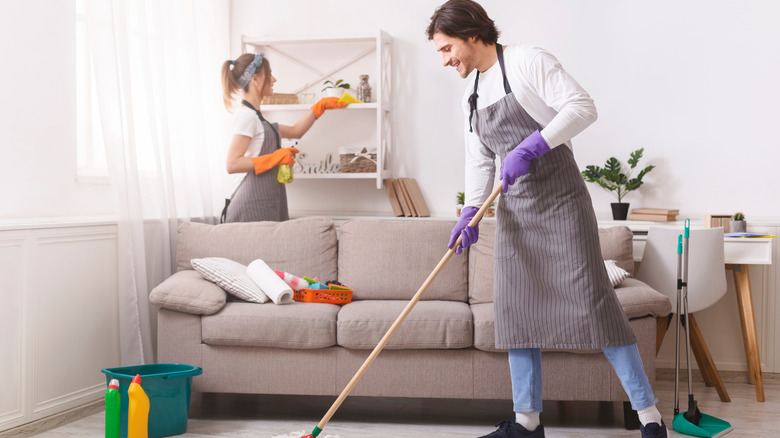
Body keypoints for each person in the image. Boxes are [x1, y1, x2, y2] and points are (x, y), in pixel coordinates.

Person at [426, 1, 667, 437]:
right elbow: (480, 160)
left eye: (447, 49)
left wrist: (532, 146)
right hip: (516, 212)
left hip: (561, 204)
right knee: (517, 312)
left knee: (596, 305)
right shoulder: (472, 94)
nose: (445, 60)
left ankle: (650, 417)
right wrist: (470, 211)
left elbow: (581, 107)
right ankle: (527, 423)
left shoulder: (526, 61)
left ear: (471, 35)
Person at [220, 53, 346, 222]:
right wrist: (275, 157)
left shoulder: (258, 118)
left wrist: (319, 107)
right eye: (269, 73)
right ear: (255, 79)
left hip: (263, 202)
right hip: (249, 206)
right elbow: (232, 164)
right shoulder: (246, 116)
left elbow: (296, 131)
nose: (274, 79)